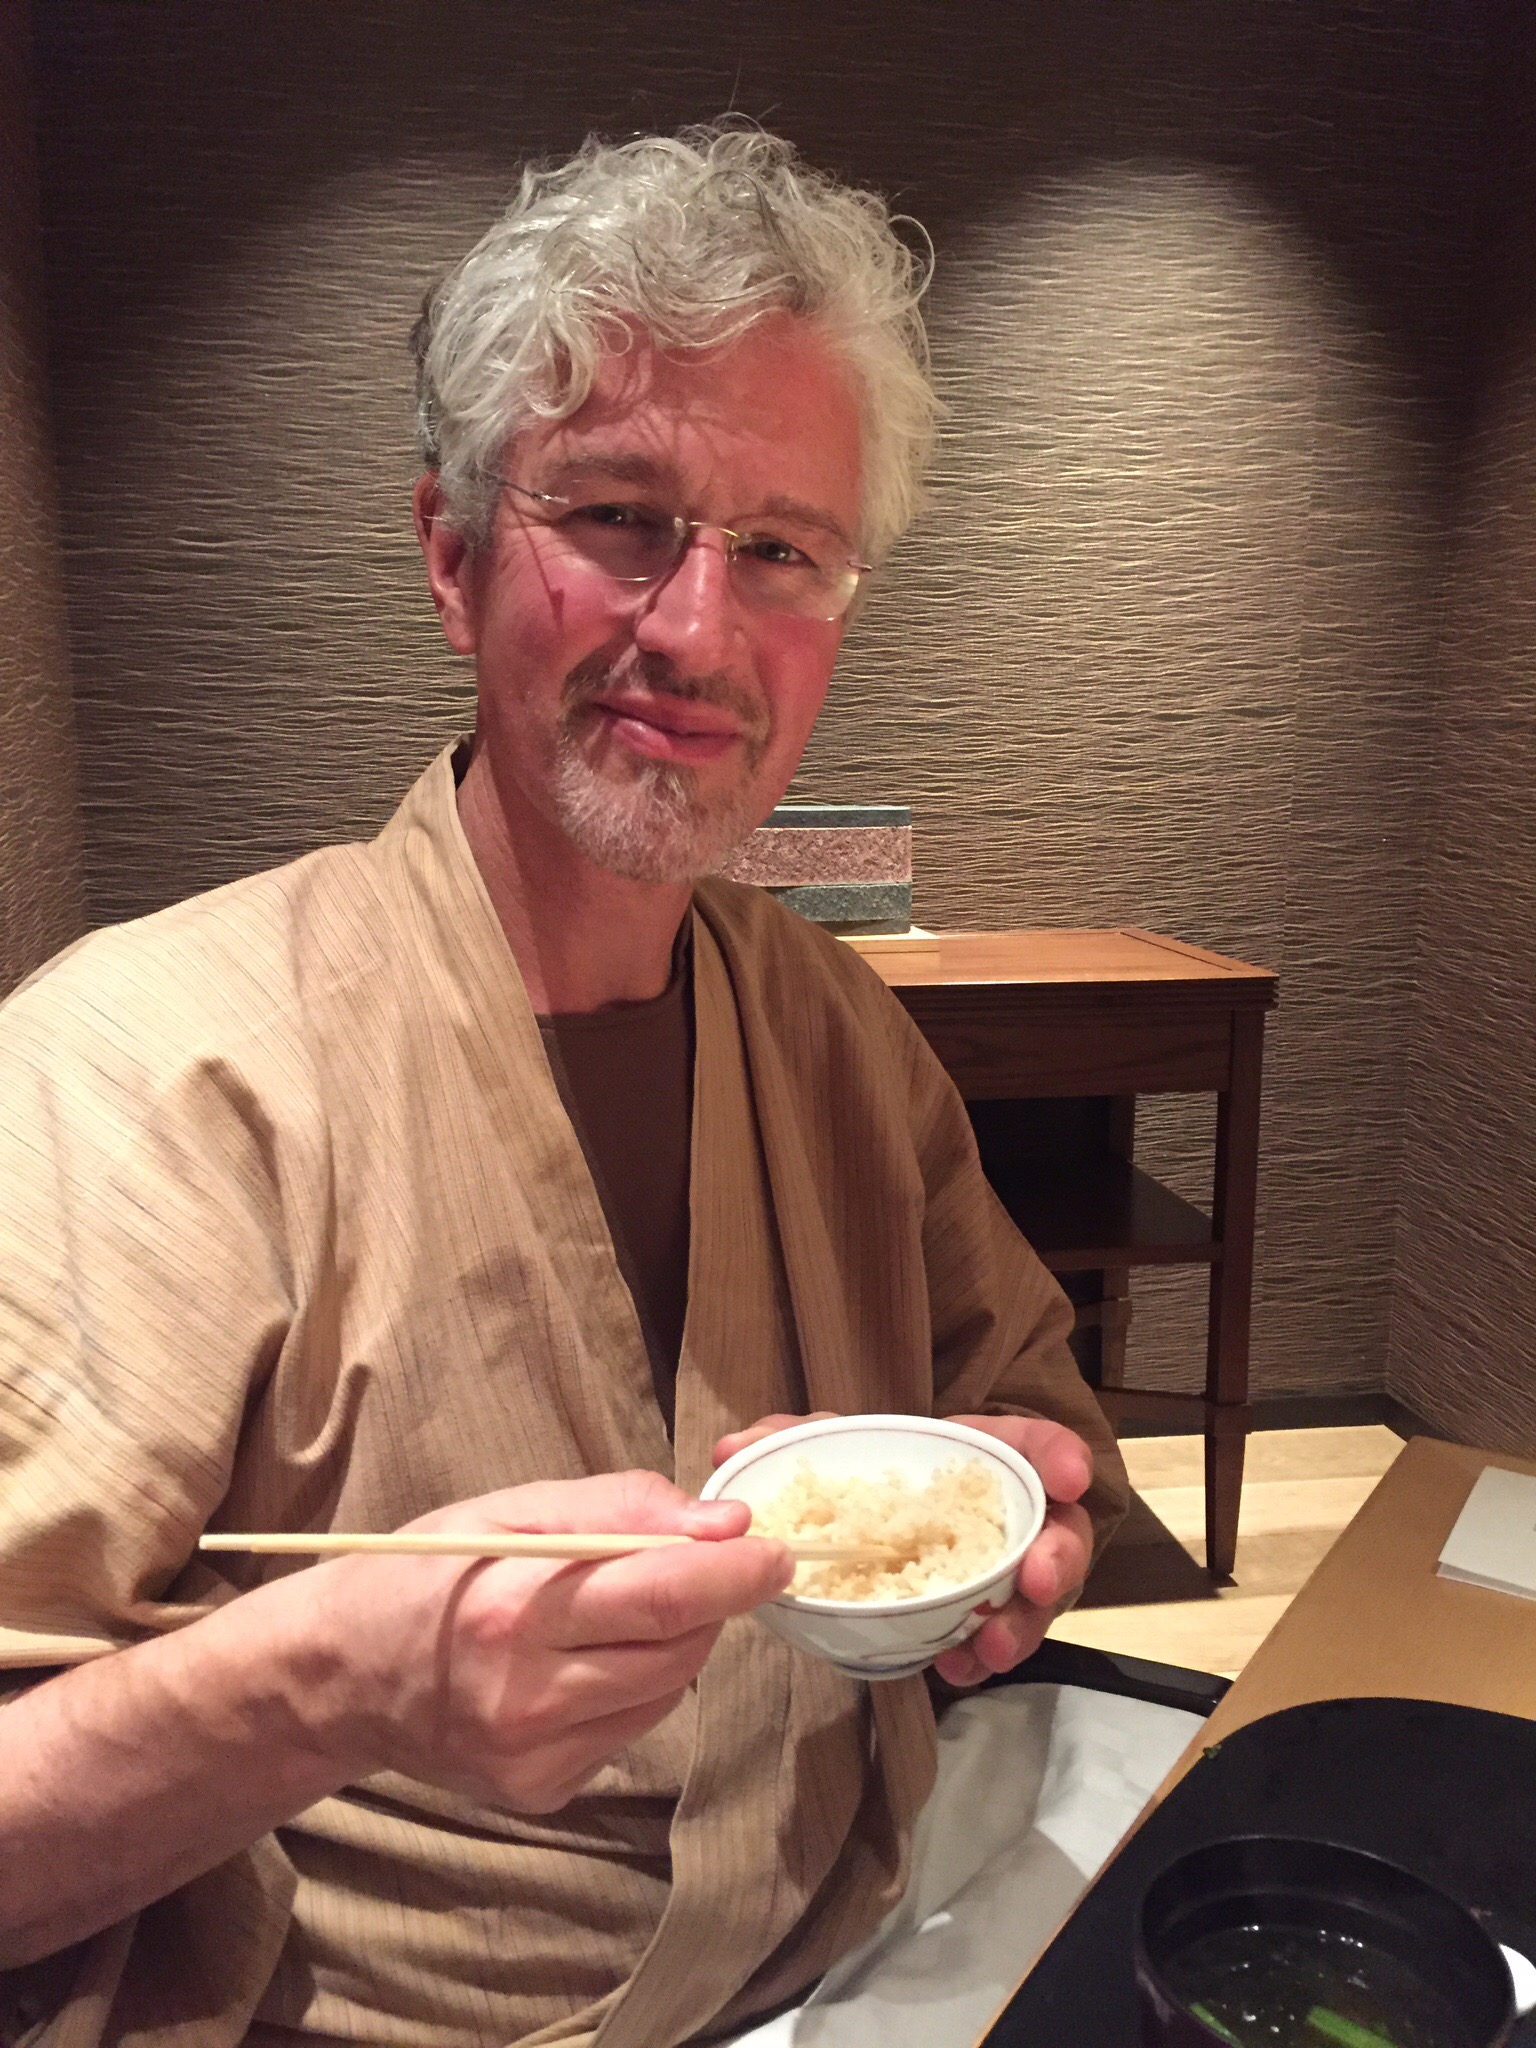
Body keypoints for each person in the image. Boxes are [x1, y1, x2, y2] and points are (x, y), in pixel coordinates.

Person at [0, 126, 1128, 2047]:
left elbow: (1015, 1393)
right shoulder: (141, 1072)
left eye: (782, 551)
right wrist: (325, 1688)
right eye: (617, 517)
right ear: (452, 560)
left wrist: (1032, 1510)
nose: (696, 631)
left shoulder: (835, 1031)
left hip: (865, 1945)